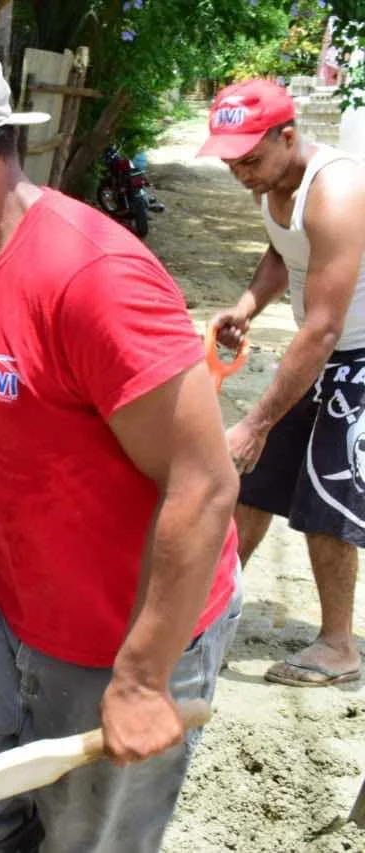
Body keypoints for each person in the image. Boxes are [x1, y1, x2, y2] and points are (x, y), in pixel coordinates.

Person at [0, 32, 242, 852]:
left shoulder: (92, 279)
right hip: (12, 600)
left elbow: (204, 483)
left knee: (88, 837)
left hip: (117, 632)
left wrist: (141, 678)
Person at [199, 79, 365, 687]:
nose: (241, 173)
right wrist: (247, 306)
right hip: (321, 350)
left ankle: (339, 646)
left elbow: (322, 328)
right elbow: (282, 252)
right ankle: (212, 605)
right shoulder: (270, 180)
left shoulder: (338, 190)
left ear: (288, 136)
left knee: (326, 500)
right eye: (232, 162)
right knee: (255, 483)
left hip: (354, 356)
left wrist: (256, 420)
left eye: (251, 160)